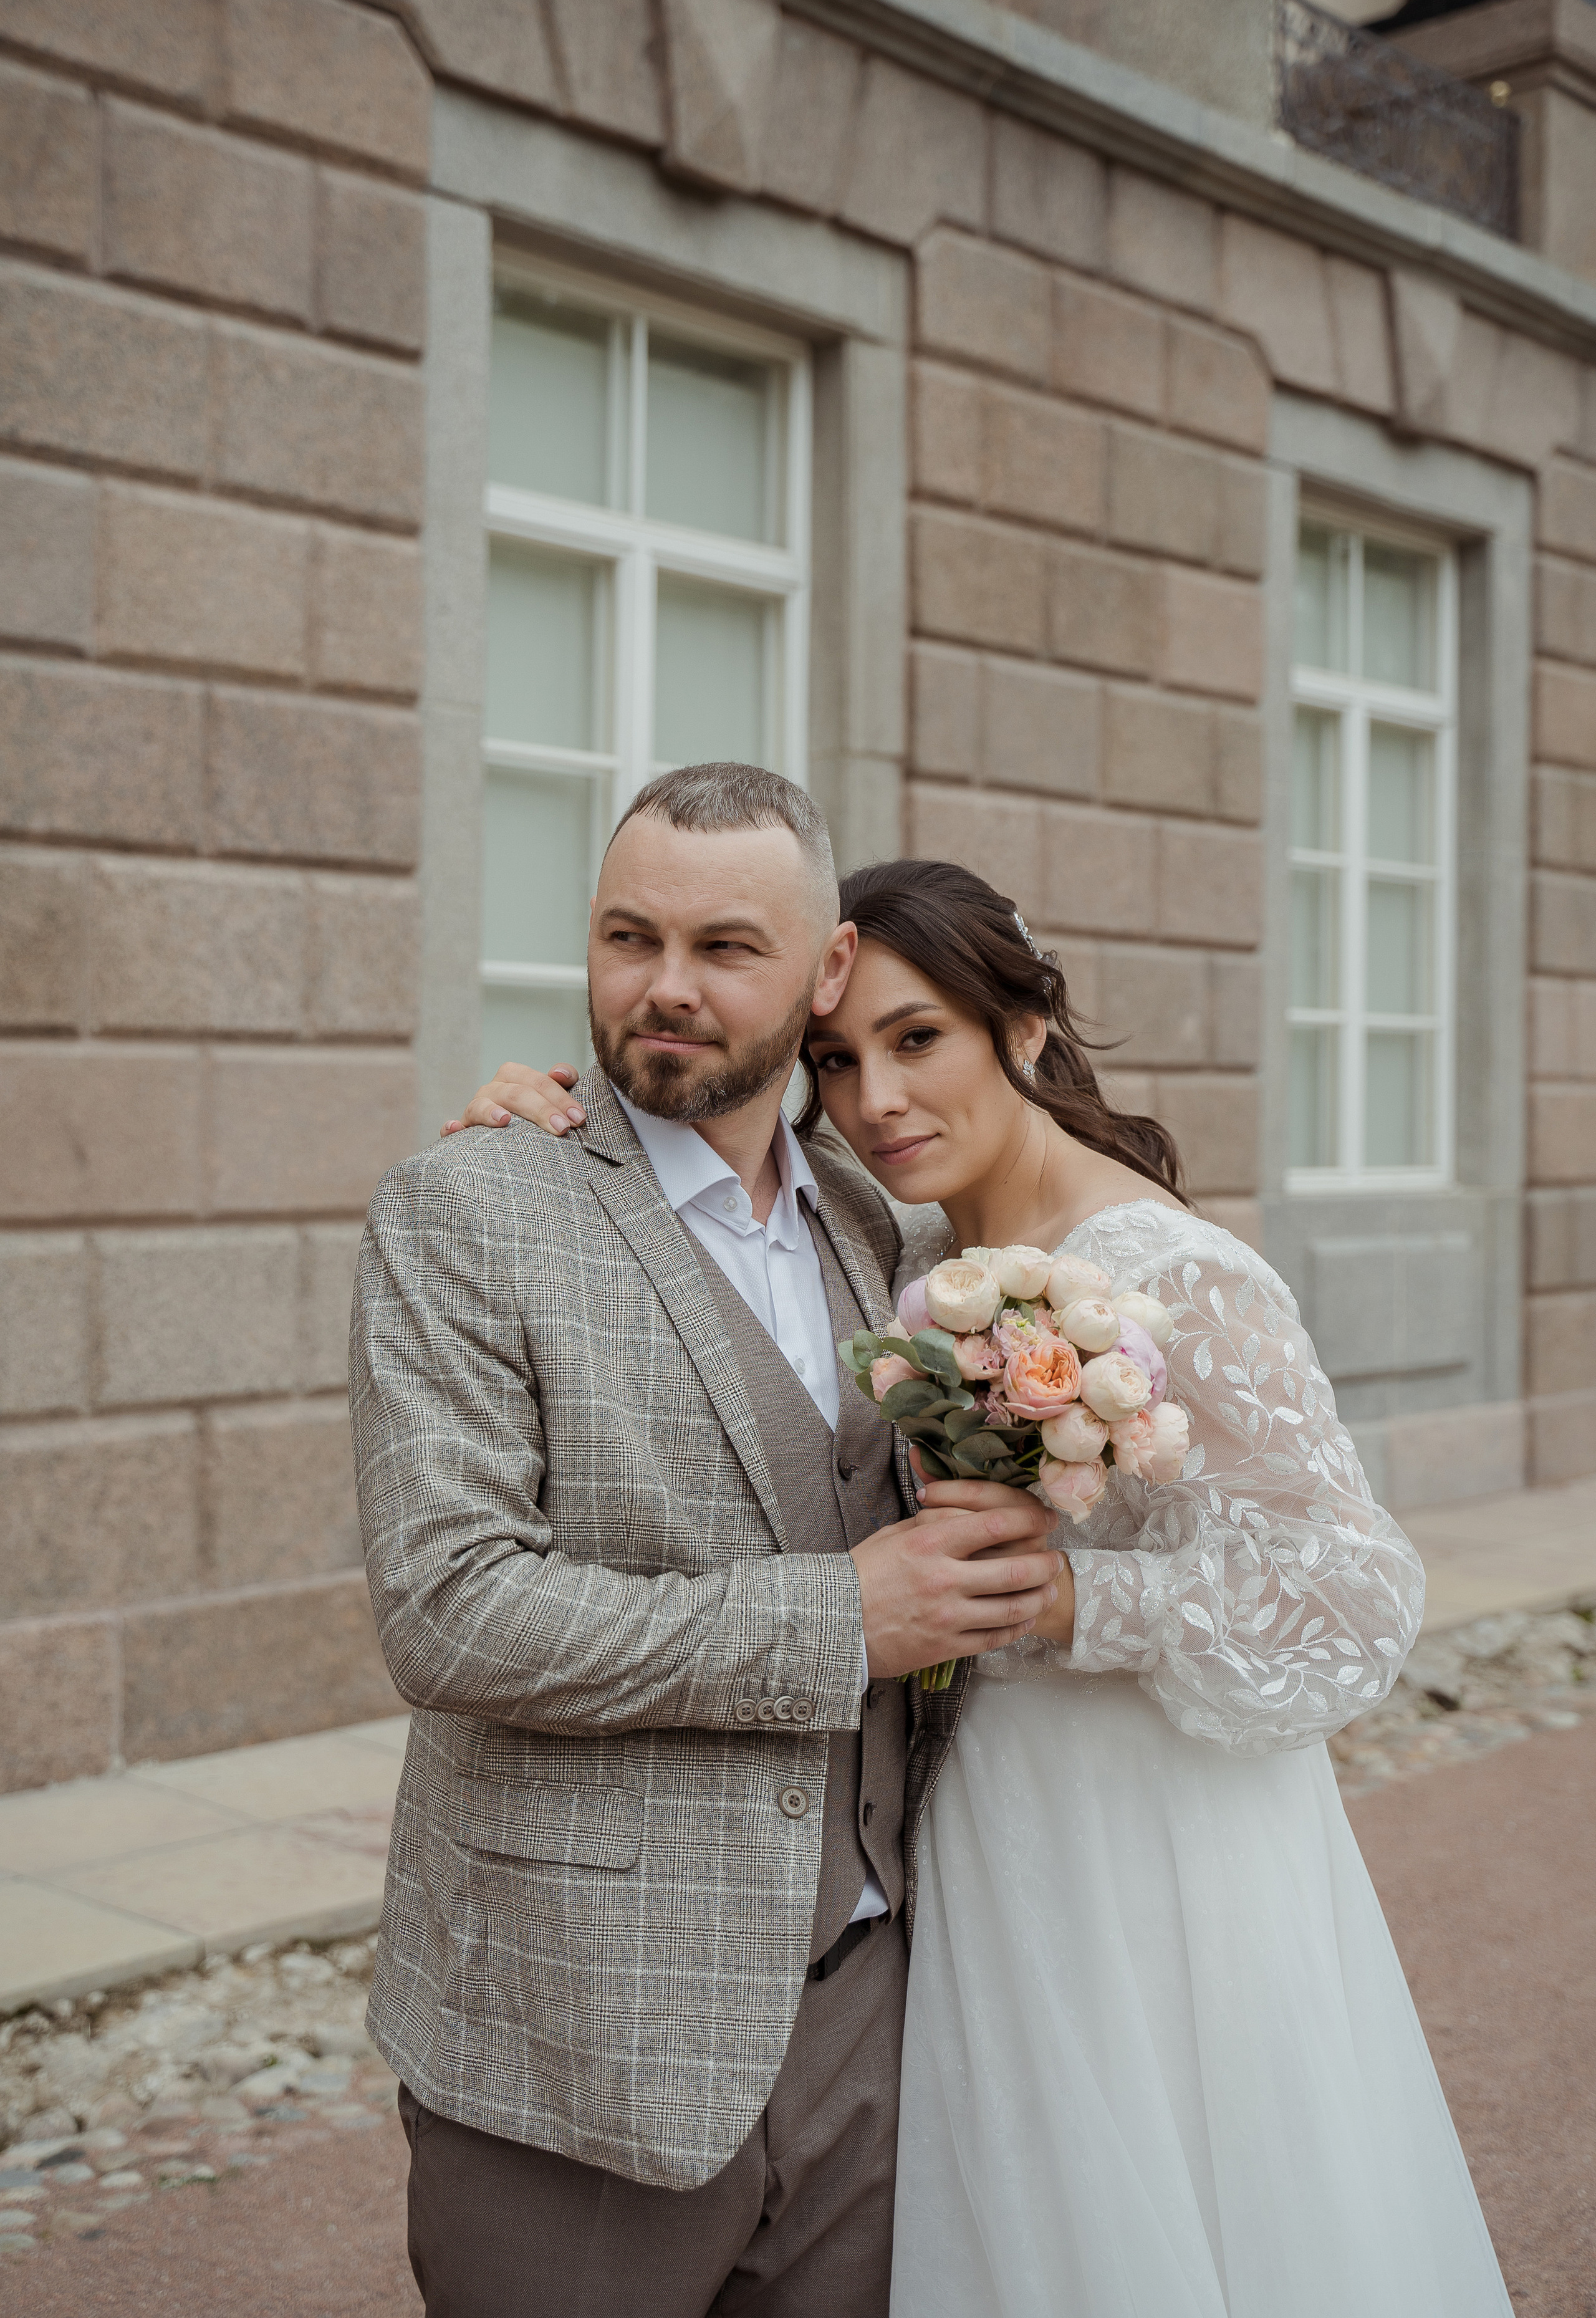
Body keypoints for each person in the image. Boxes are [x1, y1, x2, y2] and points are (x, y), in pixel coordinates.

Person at [459, 855, 1514, 2318]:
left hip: (1145, 1838)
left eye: (916, 1040)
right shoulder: (896, 1242)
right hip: (964, 1837)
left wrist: (1079, 1608)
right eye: (836, 1059)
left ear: (1021, 1030)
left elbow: (1353, 1591)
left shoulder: (1168, 1270)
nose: (875, 1098)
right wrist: (549, 1117)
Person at [350, 768, 1064, 2318]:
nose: (664, 987)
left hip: (871, 2023)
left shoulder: (887, 1232)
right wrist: (838, 1623)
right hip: (577, 2039)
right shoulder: (468, 1207)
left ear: (821, 976)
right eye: (627, 937)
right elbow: (451, 1613)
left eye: (726, 947)